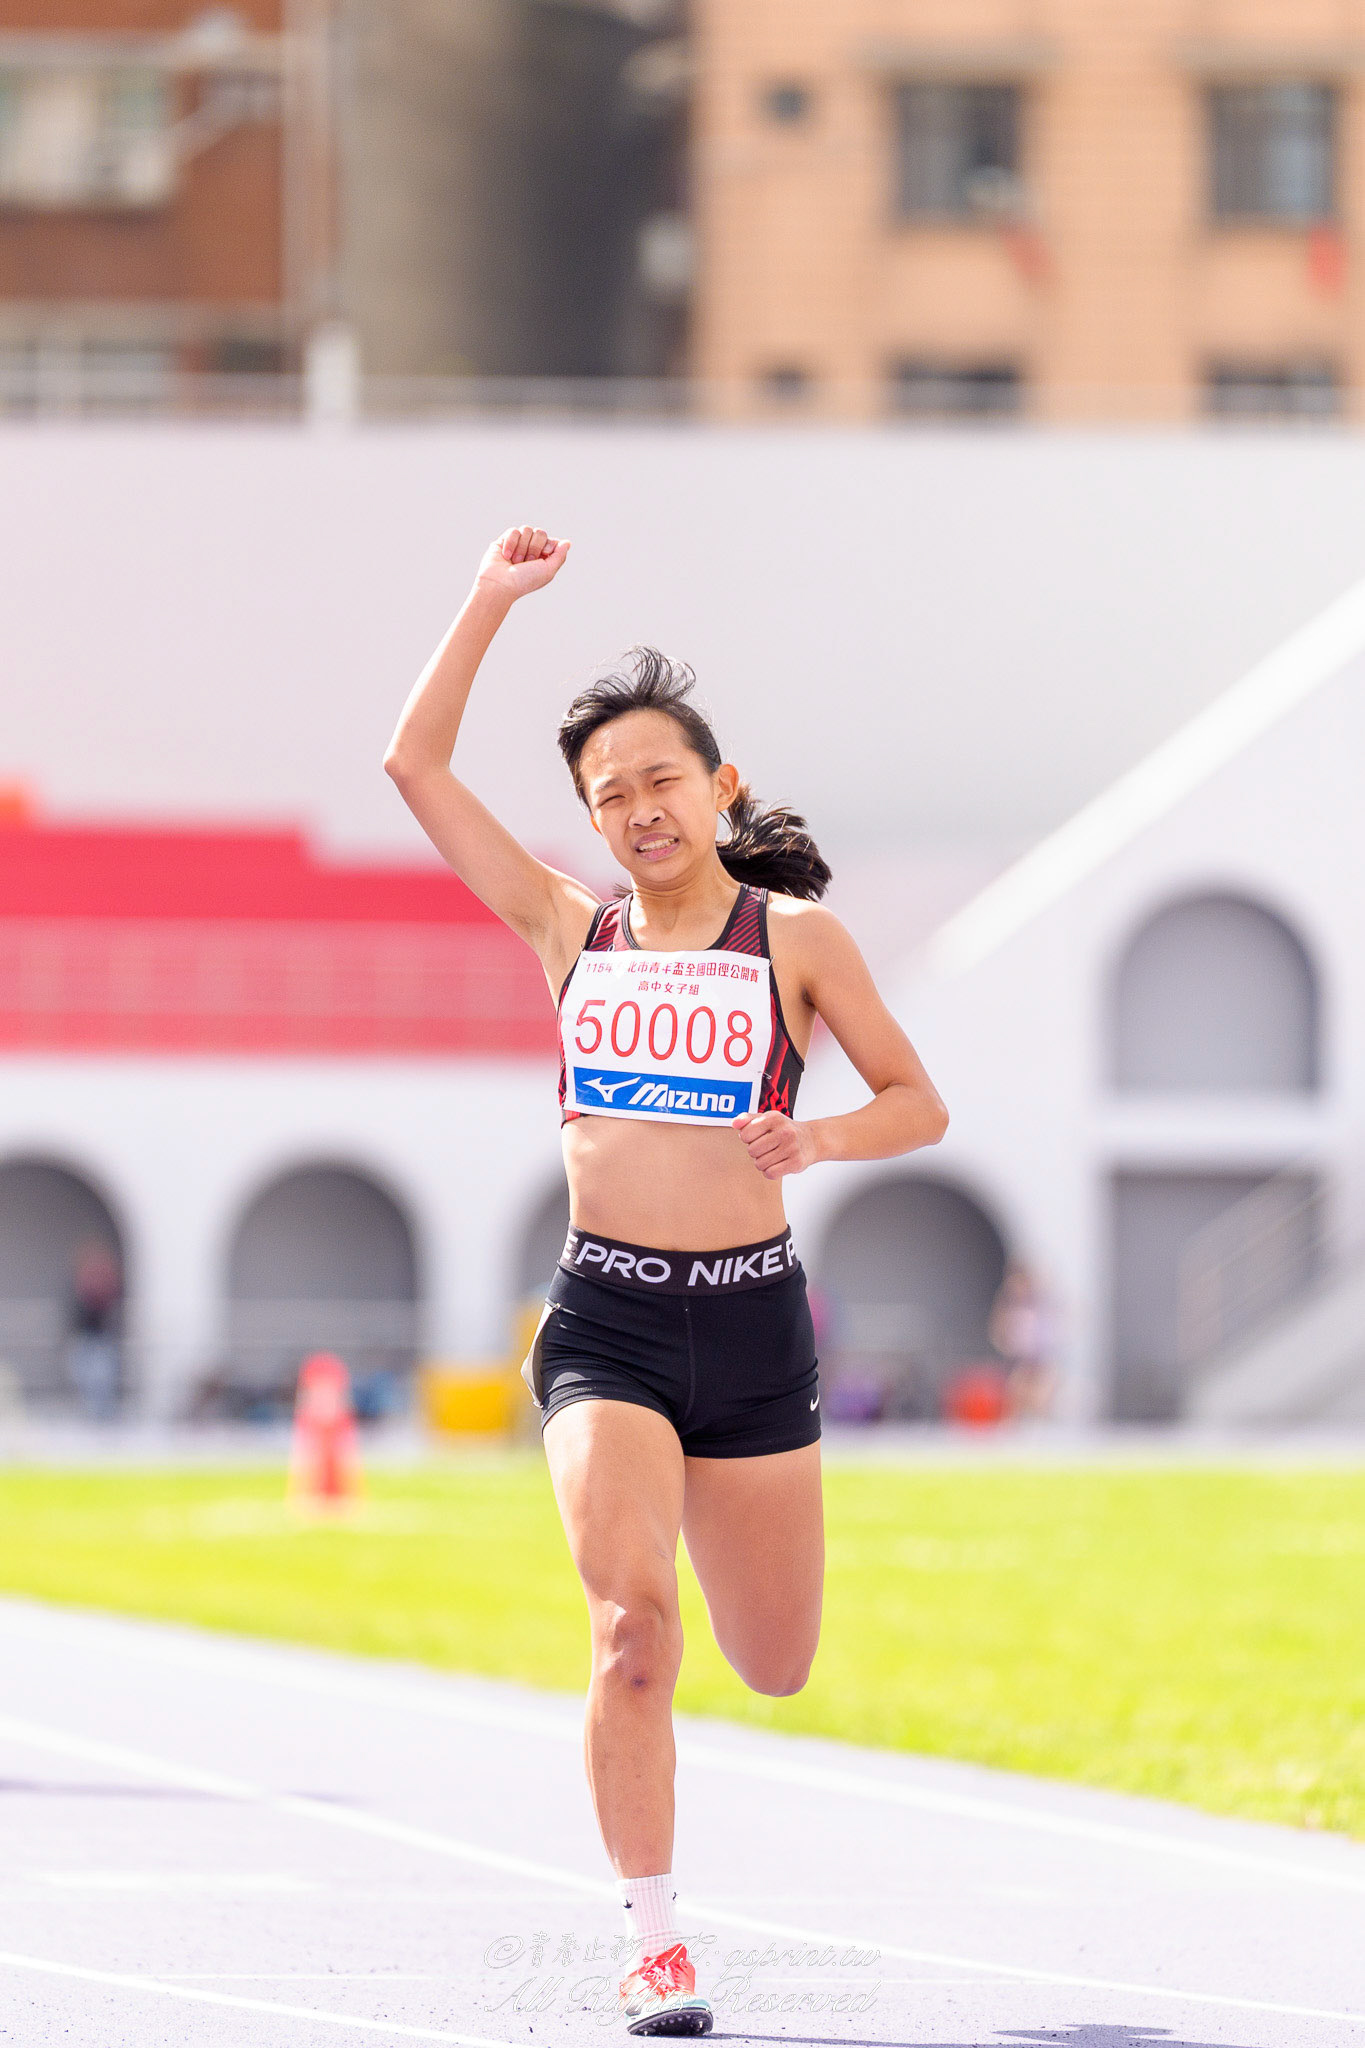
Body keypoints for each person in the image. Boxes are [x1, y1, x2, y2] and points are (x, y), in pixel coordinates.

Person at [384, 526, 949, 2037]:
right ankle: (651, 1942)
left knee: (775, 1663)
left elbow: (918, 1104)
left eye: (659, 781)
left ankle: (717, 1579)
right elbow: (414, 768)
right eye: (607, 793)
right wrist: (488, 601)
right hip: (607, 1324)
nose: (637, 810)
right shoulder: (568, 928)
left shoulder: (796, 940)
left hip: (754, 1325)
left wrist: (817, 1134)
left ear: (718, 787)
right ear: (589, 819)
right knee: (633, 1631)